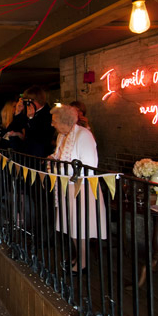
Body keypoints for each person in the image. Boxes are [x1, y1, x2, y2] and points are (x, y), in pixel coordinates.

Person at [49, 104, 106, 272]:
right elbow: (58, 155)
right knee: (70, 225)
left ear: (65, 121)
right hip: (67, 186)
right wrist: (51, 158)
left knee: (80, 226)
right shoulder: (62, 136)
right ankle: (78, 257)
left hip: (81, 187)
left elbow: (88, 166)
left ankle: (83, 262)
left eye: (54, 121)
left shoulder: (84, 136)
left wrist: (58, 169)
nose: (52, 124)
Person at [22, 86, 54, 158]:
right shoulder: (27, 112)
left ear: (38, 100)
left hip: (41, 154)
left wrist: (31, 119)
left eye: (29, 101)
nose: (28, 104)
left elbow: (41, 136)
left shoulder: (49, 114)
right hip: (29, 153)